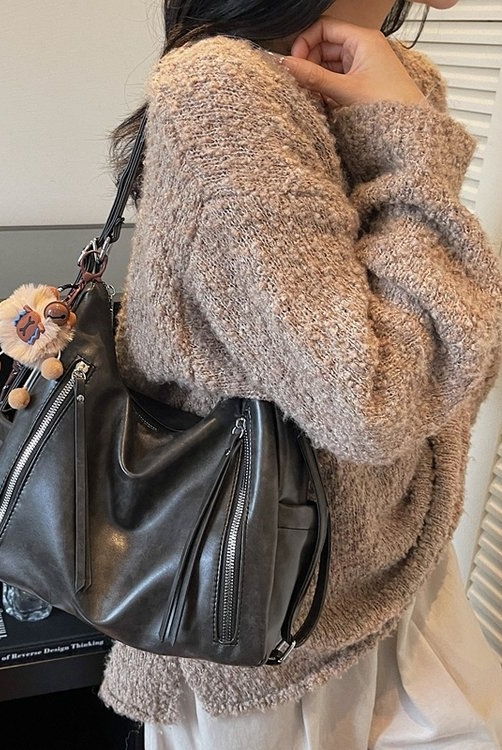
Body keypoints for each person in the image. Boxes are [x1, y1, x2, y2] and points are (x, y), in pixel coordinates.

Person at [98, 0, 502, 747]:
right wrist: (413, 155)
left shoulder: (394, 81)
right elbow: (374, 401)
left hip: (389, 580)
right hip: (266, 629)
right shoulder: (221, 89)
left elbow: (437, 363)